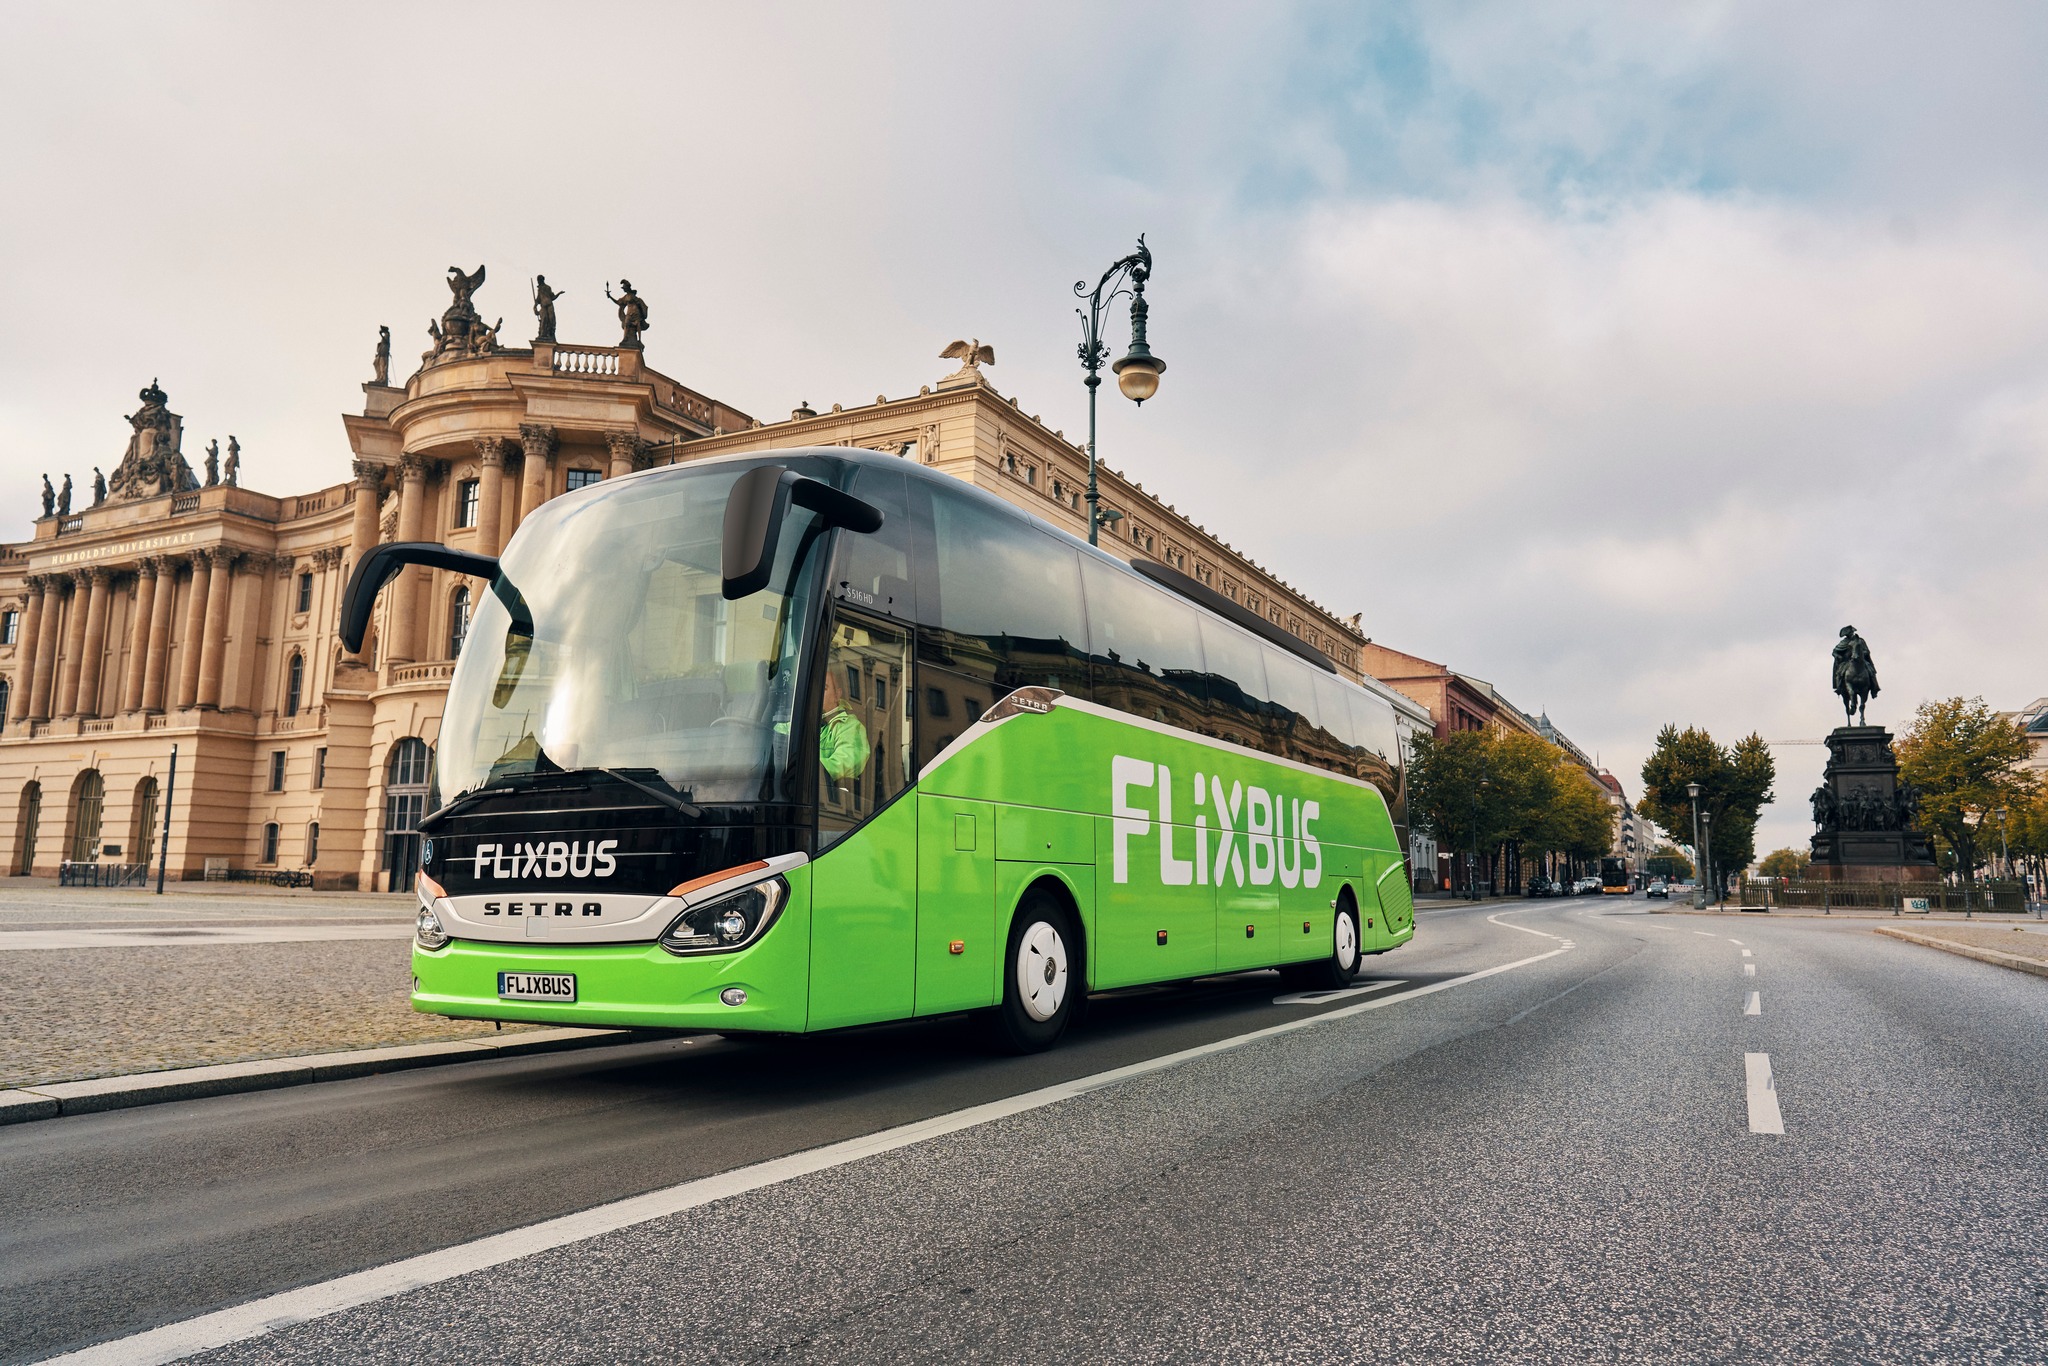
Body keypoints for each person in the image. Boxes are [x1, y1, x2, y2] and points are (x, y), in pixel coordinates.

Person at [818, 668, 869, 784]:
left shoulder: (850, 727)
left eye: (824, 688)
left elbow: (843, 762)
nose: (817, 693)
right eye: (815, 688)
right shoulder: (800, 720)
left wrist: (806, 766)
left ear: (837, 695)